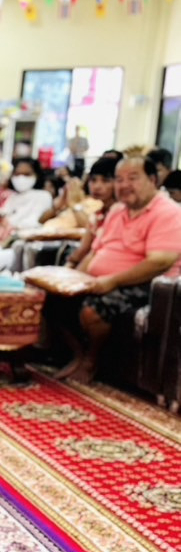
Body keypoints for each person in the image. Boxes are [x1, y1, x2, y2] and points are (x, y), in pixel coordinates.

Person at [54, 154, 181, 384]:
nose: (124, 185)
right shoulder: (116, 211)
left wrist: (112, 280)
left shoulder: (169, 212)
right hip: (101, 279)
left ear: (153, 180)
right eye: (119, 179)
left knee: (93, 310)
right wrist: (73, 278)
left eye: (132, 178)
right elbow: (95, 250)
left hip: (147, 283)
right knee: (54, 298)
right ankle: (78, 355)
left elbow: (160, 262)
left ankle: (91, 360)